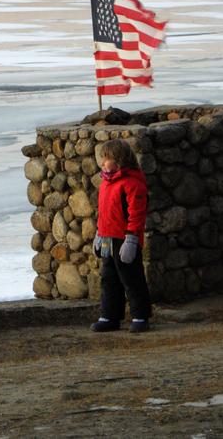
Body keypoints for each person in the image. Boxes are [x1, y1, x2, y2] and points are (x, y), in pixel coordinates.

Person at [91, 139, 152, 333]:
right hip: (108, 237)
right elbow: (103, 213)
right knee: (109, 279)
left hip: (125, 239)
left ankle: (141, 316)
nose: (103, 163)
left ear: (119, 159)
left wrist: (132, 238)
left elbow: (137, 214)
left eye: (106, 159)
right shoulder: (106, 184)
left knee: (132, 278)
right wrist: (99, 235)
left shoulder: (133, 184)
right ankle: (110, 315)